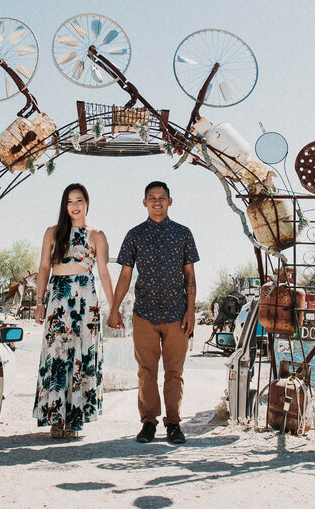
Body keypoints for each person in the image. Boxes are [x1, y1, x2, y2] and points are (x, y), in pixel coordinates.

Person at [109, 181, 199, 444]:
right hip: (144, 313)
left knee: (174, 372)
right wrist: (114, 309)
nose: (157, 201)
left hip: (177, 314)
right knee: (146, 370)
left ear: (170, 201)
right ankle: (148, 423)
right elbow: (125, 275)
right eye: (152, 198)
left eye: (162, 197)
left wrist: (191, 311)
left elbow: (190, 276)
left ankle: (173, 424)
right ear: (144, 202)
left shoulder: (183, 234)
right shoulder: (135, 235)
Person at [33, 183, 115, 438]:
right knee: (57, 355)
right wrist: (39, 301)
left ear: (87, 202)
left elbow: (103, 272)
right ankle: (56, 420)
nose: (75, 206)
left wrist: (114, 308)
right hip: (58, 299)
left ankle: (75, 421)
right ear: (64, 205)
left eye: (79, 200)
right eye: (70, 201)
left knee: (81, 355)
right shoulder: (52, 232)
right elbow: (44, 268)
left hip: (85, 300)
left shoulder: (97, 234)